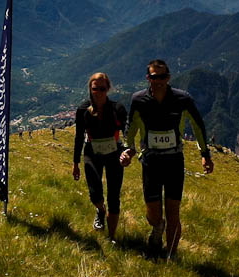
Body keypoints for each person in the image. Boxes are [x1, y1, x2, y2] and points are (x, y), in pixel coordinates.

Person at [120, 59, 214, 258]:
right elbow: (131, 126)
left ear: (168, 77)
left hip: (174, 161)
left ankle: (171, 256)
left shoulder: (182, 99)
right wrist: (129, 149)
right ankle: (157, 227)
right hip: (150, 161)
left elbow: (198, 125)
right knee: (153, 213)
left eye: (162, 77)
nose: (159, 81)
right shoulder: (139, 100)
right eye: (154, 77)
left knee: (173, 213)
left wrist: (205, 154)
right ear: (148, 78)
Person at [72, 72, 127, 240]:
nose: (99, 92)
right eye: (95, 88)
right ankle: (100, 209)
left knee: (114, 196)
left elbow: (126, 135)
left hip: (113, 154)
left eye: (103, 89)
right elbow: (79, 136)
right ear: (90, 89)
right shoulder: (83, 109)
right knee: (95, 193)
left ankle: (111, 238)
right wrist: (75, 163)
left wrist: (127, 152)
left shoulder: (118, 109)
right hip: (92, 153)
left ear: (108, 89)